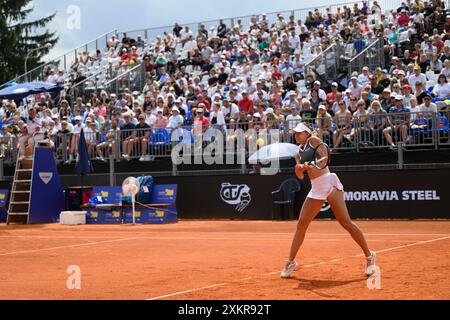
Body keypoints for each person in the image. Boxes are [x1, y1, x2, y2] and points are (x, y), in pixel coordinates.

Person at [281, 123, 376, 279]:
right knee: (302, 223)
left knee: (345, 222)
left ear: (307, 133)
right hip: (316, 188)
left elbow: (325, 156)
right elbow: (300, 175)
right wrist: (300, 168)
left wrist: (313, 164)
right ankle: (291, 261)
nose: (296, 135)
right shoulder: (298, 153)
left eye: (299, 133)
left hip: (329, 182)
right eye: (295, 133)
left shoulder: (313, 141)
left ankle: (369, 255)